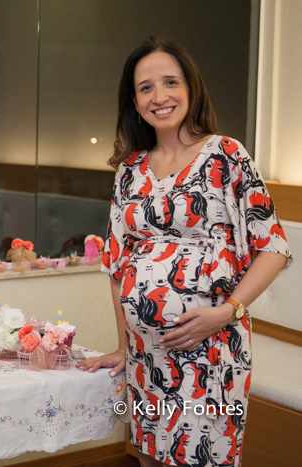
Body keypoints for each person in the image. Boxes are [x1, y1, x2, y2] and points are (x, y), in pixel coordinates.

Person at [76, 37, 292, 467]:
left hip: (210, 349)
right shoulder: (129, 171)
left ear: (190, 88)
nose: (159, 96)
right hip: (146, 354)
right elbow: (118, 268)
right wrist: (124, 347)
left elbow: (274, 248)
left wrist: (228, 311)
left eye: (170, 82)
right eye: (145, 87)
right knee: (150, 457)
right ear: (134, 102)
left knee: (201, 459)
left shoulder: (226, 155)